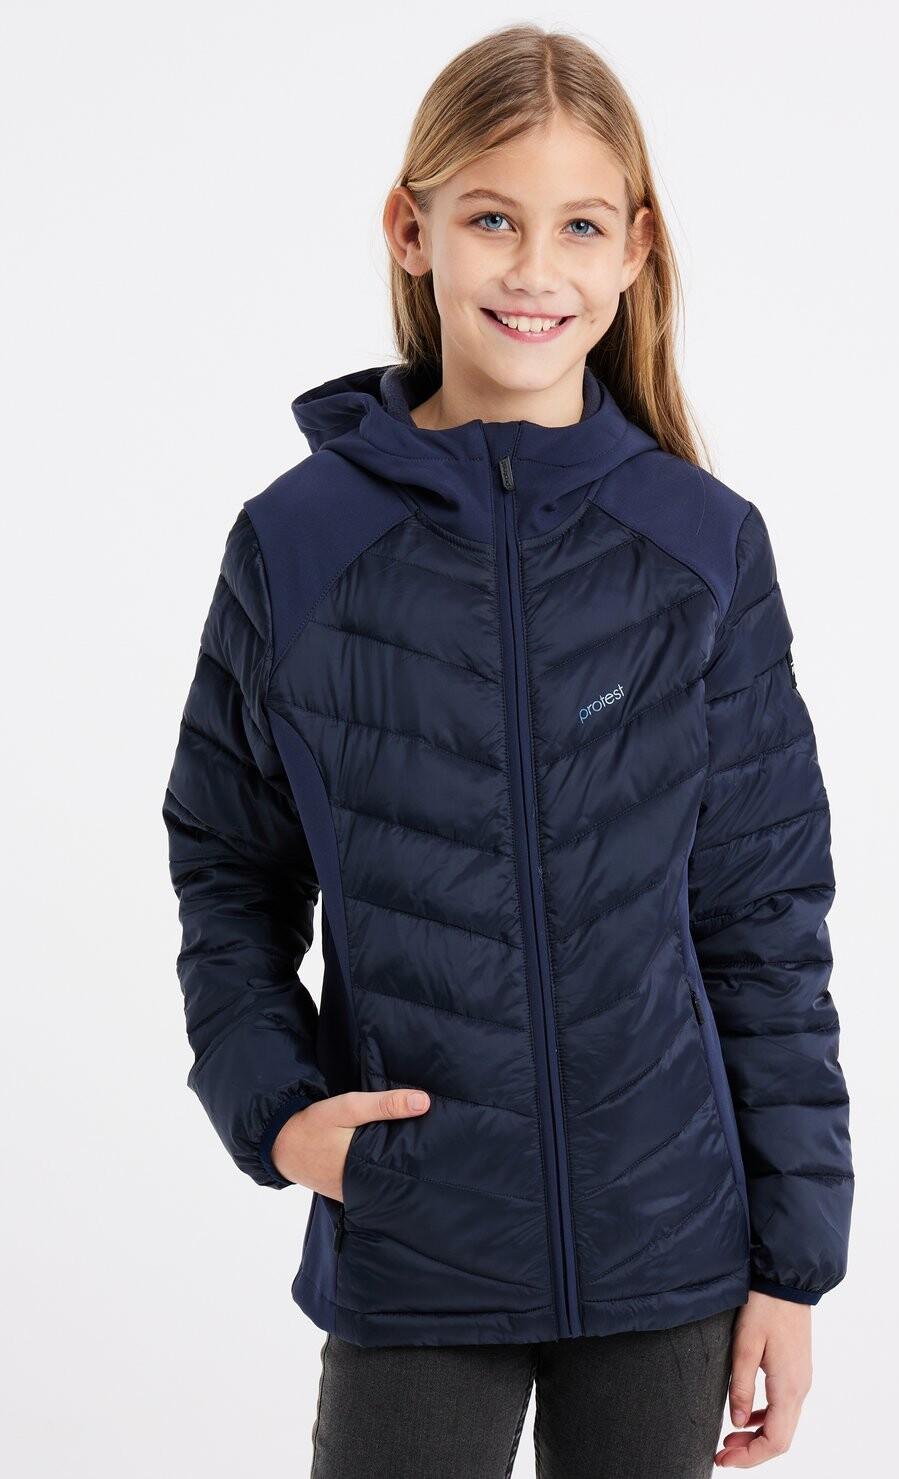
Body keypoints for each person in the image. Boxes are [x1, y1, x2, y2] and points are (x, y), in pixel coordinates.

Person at [162, 22, 854, 1478]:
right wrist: (280, 1119)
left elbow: (765, 921)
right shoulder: (298, 544)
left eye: (579, 226)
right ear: (411, 231)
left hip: (667, 1245)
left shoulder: (703, 547)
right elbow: (226, 869)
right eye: (491, 219)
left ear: (635, 249)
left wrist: (792, 1266)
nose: (535, 269)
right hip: (415, 1233)